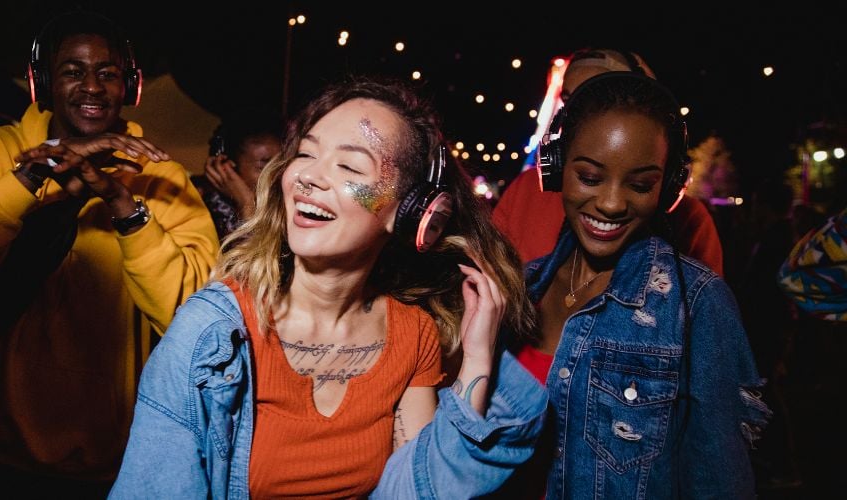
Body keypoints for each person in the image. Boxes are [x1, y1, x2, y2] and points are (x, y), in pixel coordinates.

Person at [109, 77, 546, 498]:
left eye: (350, 166)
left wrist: (477, 360)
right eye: (304, 154)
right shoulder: (210, 332)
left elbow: (418, 491)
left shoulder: (413, 335)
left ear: (412, 215)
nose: (308, 177)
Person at [0, 10, 218, 496]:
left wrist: (122, 205)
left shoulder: (160, 176)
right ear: (43, 83)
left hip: (101, 466)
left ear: (128, 87)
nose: (92, 86)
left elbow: (193, 315)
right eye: (72, 71)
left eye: (107, 73)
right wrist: (31, 179)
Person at [506, 71, 768, 498]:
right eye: (590, 176)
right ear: (556, 168)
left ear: (668, 189)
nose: (611, 202)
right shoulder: (521, 287)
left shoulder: (697, 304)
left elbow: (721, 483)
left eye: (641, 184)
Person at [491, 48, 725, 277]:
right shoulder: (525, 189)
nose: (577, 116)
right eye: (569, 101)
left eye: (600, 100)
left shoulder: (691, 221)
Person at [192, 108, 283, 240]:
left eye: (281, 164)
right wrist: (247, 204)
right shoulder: (199, 207)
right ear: (228, 168)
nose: (278, 174)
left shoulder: (284, 209)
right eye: (263, 166)